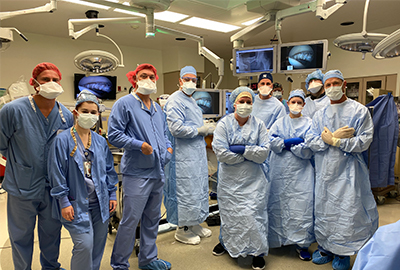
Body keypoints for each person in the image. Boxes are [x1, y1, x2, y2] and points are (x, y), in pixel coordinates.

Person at [0, 62, 73, 270]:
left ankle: (50, 267)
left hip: (53, 187)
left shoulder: (65, 116)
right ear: (35, 83)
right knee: (21, 236)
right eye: (45, 79)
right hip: (22, 186)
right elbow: (2, 145)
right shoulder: (12, 110)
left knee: (51, 233)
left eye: (55, 80)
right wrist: (22, 164)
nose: (51, 83)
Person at [305, 70, 379, 270]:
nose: (331, 88)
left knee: (346, 210)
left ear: (344, 84)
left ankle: (343, 252)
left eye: (335, 83)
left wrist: (336, 141)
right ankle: (326, 248)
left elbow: (364, 141)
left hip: (349, 171)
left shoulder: (359, 110)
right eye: (327, 85)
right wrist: (325, 140)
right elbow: (310, 140)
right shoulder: (319, 114)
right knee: (325, 209)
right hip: (324, 170)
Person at [108, 64, 173, 270]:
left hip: (158, 170)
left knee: (152, 218)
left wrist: (168, 149)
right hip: (137, 172)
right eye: (142, 76)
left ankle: (148, 259)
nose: (148, 79)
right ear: (134, 79)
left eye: (151, 76)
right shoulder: (125, 104)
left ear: (156, 80)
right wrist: (139, 145)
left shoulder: (157, 108)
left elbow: (164, 135)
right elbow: (114, 135)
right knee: (130, 220)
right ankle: (119, 263)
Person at [48, 90, 118, 270]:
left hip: (100, 203)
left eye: (94, 112)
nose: (90, 115)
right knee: (84, 245)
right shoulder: (62, 140)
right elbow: (57, 173)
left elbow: (109, 170)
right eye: (85, 111)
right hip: (76, 203)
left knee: (97, 245)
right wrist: (63, 202)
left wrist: (112, 195)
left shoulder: (100, 141)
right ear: (75, 113)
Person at [211, 86, 270, 270]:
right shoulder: (223, 124)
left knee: (254, 215)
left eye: (248, 102)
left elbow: (264, 153)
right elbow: (221, 154)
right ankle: (227, 243)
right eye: (241, 101)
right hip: (230, 182)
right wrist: (250, 153)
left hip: (254, 180)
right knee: (230, 215)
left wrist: (242, 149)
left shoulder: (259, 125)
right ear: (234, 103)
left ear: (253, 104)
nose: (245, 105)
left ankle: (258, 252)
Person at [163, 66, 211, 245]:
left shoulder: (191, 100)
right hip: (182, 157)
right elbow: (176, 129)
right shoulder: (176, 100)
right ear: (180, 81)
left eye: (193, 79)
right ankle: (182, 229)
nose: (190, 82)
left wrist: (203, 127)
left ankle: (194, 223)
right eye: (187, 79)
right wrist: (199, 130)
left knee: (197, 189)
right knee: (185, 192)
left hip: (195, 155)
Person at [268, 89, 315, 261]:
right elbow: (271, 141)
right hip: (279, 171)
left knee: (301, 206)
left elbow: (309, 148)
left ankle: (302, 244)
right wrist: (292, 142)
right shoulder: (279, 122)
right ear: (287, 103)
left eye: (299, 102)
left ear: (303, 105)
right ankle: (277, 239)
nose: (296, 105)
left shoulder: (310, 123)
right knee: (278, 203)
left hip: (301, 173)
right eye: (293, 102)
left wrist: (286, 145)